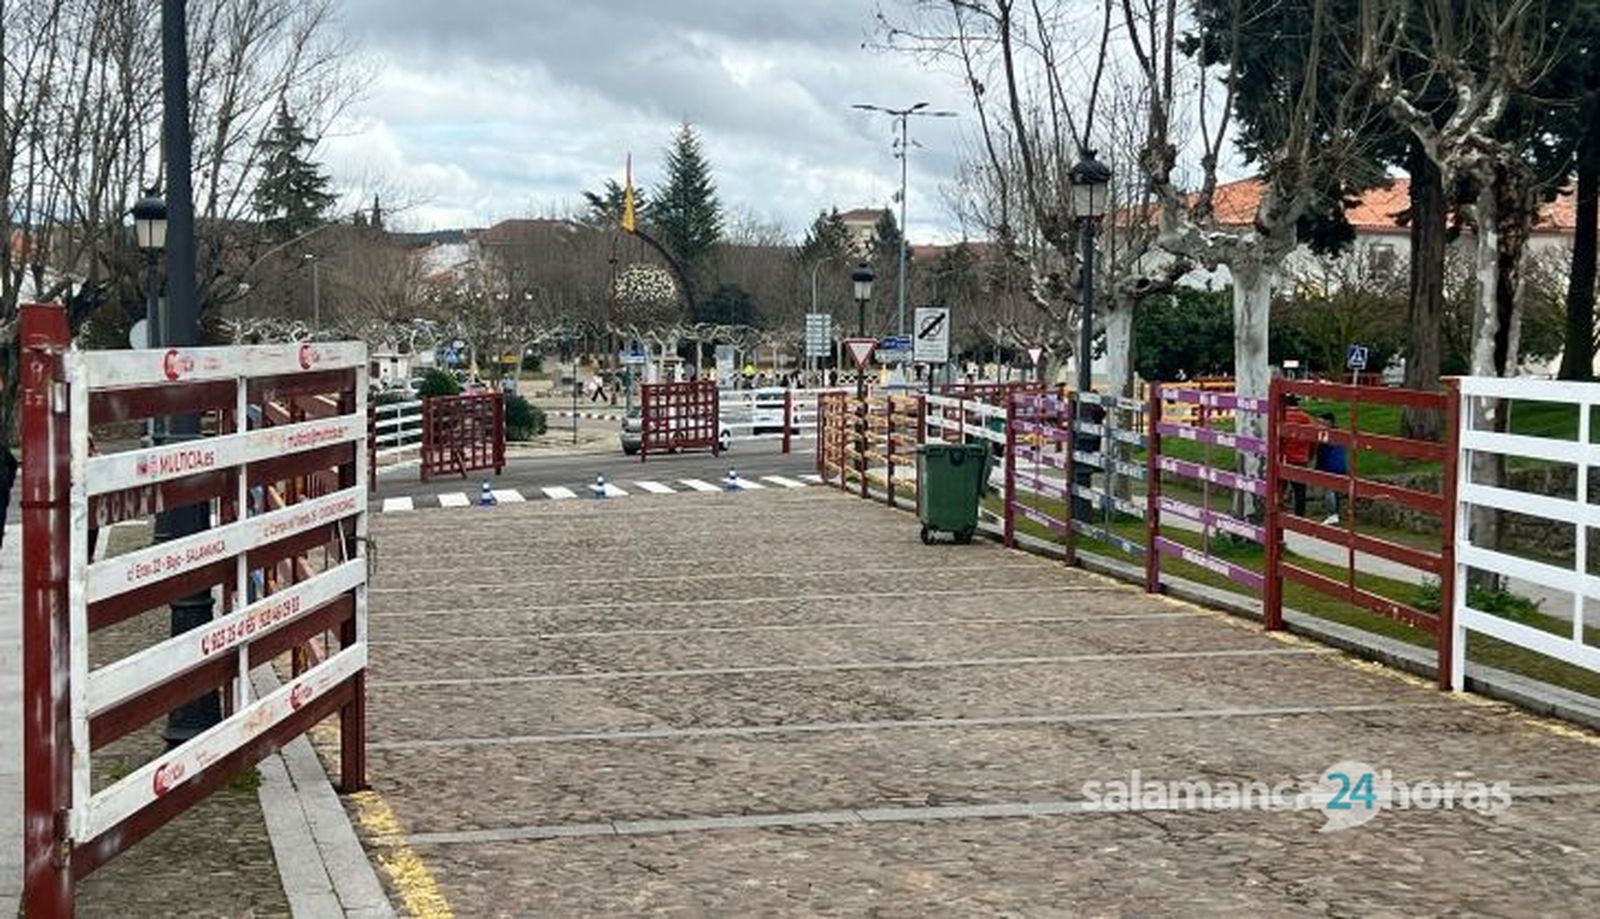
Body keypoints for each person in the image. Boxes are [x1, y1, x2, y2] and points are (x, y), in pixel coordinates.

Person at [1280, 395, 1315, 517]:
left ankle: (1279, 513)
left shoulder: (1281, 417)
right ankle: (1300, 516)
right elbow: (1313, 440)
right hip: (1300, 458)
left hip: (1282, 458)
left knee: (1279, 488)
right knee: (1300, 491)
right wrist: (1309, 455)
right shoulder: (1307, 419)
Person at [1315, 412, 1349, 525]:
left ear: (1329, 422)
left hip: (1331, 465)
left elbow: (1322, 451)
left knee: (1329, 490)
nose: (1318, 425)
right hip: (1339, 465)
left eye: (1321, 422)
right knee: (1334, 491)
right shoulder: (1339, 433)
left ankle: (1332, 514)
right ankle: (1335, 514)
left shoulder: (1327, 435)